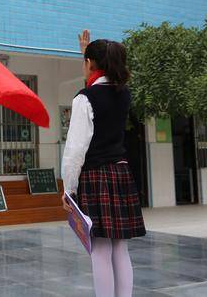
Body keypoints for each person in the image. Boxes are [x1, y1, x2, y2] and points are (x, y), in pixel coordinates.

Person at [61, 31, 146, 297]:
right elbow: (99, 83)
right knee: (120, 248)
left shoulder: (84, 98)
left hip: (96, 176)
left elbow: (76, 149)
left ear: (91, 64)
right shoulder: (123, 94)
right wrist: (86, 54)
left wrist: (69, 189)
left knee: (100, 249)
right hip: (120, 173)